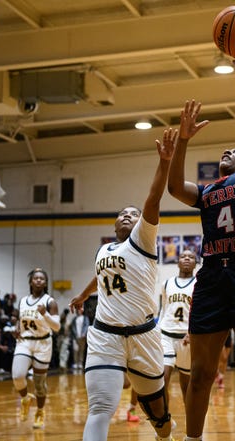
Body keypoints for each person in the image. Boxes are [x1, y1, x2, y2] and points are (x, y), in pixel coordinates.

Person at [167, 44, 235, 441]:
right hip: (212, 276)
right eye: (225, 149)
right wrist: (182, 140)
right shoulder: (207, 190)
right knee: (199, 374)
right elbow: (173, 187)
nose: (228, 150)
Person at [68, 129, 176, 441]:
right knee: (101, 407)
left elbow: (153, 198)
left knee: (159, 415)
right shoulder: (103, 250)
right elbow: (99, 278)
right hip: (105, 336)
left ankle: (165, 434)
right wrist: (82, 294)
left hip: (144, 337)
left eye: (133, 214)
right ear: (115, 225)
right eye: (122, 215)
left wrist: (164, 162)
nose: (128, 216)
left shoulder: (143, 240)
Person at [11, 268, 60, 429]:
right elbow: (21, 320)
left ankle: (40, 411)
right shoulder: (23, 300)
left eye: (42, 279)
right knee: (18, 376)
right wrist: (16, 328)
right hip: (24, 342)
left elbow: (57, 327)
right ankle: (25, 398)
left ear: (45, 283)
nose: (38, 280)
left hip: (43, 344)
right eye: (35, 278)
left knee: (39, 384)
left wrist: (45, 314)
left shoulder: (50, 302)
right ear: (31, 282)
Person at [159, 249, 196, 406]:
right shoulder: (166, 283)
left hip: (186, 338)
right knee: (162, 379)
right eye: (183, 256)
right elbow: (163, 309)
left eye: (191, 257)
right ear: (178, 261)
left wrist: (193, 331)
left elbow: (200, 312)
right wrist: (157, 330)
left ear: (195, 263)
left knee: (186, 384)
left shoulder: (199, 284)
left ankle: (191, 425)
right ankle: (163, 419)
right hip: (166, 334)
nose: (186, 258)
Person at [69, 303, 90, 372]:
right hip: (75, 337)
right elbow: (72, 328)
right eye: (77, 310)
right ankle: (76, 363)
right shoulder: (74, 319)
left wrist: (84, 334)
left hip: (82, 337)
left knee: (81, 350)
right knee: (75, 350)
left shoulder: (85, 318)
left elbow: (87, 326)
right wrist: (75, 335)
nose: (79, 311)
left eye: (80, 309)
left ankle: (80, 363)